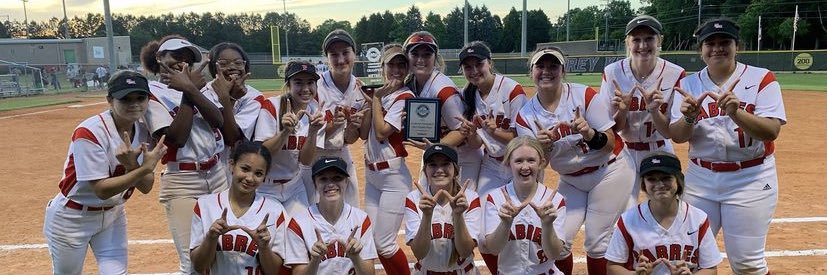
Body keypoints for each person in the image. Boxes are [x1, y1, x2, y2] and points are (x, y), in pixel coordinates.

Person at [669, 18, 786, 274]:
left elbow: (771, 132)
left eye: (725, 42)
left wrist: (737, 113)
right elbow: (677, 136)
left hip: (751, 178)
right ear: (701, 50)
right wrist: (689, 117)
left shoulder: (761, 79)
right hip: (701, 179)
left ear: (737, 46)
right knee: (689, 259)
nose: (717, 48)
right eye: (710, 43)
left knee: (747, 264)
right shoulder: (689, 84)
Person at [515, 46, 635, 274]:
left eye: (553, 66)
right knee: (558, 243)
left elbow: (610, 142)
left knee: (597, 242)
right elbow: (536, 166)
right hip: (571, 179)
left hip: (609, 172)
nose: (546, 71)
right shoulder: (525, 116)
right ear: (531, 71)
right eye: (540, 66)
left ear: (563, 70)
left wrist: (590, 134)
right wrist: (542, 148)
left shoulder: (584, 96)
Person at [43, 70, 167, 274]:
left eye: (140, 97)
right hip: (72, 217)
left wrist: (133, 167)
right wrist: (143, 168)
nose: (134, 103)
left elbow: (145, 187)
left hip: (113, 214)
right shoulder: (90, 132)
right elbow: (100, 189)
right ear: (110, 100)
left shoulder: (145, 130)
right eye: (125, 98)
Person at [140, 35, 228, 274]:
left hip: (217, 175)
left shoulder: (200, 88)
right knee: (192, 261)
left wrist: (190, 88)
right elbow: (175, 138)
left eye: (188, 60)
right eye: (176, 57)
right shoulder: (149, 92)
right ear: (160, 59)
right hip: (182, 181)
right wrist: (188, 90)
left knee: (222, 253)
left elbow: (218, 120)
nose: (183, 64)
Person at [453, 41, 527, 273]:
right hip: (492, 166)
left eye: (479, 64)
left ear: (490, 63)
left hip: (520, 167)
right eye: (468, 66)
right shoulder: (469, 94)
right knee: (484, 234)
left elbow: (522, 140)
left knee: (524, 227)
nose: (474, 70)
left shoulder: (513, 91)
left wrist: (494, 130)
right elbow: (477, 143)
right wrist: (472, 133)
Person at [602, 15, 686, 208]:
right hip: (624, 151)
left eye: (649, 38)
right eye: (636, 39)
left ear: (659, 41)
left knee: (667, 206)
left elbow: (668, 132)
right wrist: (622, 111)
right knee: (624, 210)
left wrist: (655, 111)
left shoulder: (675, 74)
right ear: (627, 43)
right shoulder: (612, 72)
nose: (642, 45)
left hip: (659, 146)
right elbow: (609, 129)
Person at [605, 152, 722, 274]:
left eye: (666, 178)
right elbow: (612, 268)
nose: (659, 185)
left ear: (678, 180)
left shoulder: (698, 219)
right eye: (651, 179)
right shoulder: (628, 220)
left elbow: (710, 269)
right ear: (644, 184)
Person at [189, 141, 288, 274]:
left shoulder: (275, 210)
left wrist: (263, 247)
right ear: (231, 165)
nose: (250, 178)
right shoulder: (205, 205)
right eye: (245, 169)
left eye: (258, 173)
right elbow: (199, 267)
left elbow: (272, 271)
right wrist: (211, 238)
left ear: (265, 176)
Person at [361, 43, 417, 274]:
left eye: (401, 64)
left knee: (384, 243)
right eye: (391, 64)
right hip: (372, 175)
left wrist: (375, 100)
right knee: (374, 242)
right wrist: (369, 103)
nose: (396, 69)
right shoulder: (380, 93)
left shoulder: (405, 96)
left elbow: (383, 132)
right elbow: (364, 134)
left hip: (393, 177)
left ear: (407, 69)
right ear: (382, 67)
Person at [402, 31, 479, 185]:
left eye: (426, 55)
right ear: (407, 57)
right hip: (437, 151)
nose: (420, 59)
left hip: (462, 157)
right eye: (415, 54)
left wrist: (435, 147)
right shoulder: (412, 83)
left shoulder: (443, 90)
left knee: (459, 204)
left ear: (435, 59)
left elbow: (461, 131)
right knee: (426, 199)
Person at [483, 136, 566, 274]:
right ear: (509, 164)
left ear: (541, 163)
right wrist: (505, 223)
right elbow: (493, 249)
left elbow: (555, 254)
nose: (525, 167)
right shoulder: (496, 198)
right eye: (519, 161)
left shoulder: (555, 200)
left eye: (531, 160)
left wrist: (547, 224)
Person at [254, 60, 326, 215]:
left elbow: (305, 161)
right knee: (272, 234)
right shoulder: (272, 107)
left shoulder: (316, 112)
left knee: (301, 231)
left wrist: (313, 132)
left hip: (294, 186)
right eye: (298, 82)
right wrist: (285, 132)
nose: (306, 89)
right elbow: (261, 154)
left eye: (310, 82)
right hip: (266, 188)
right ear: (288, 85)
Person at [285, 157, 377, 274]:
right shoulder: (299, 223)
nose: (330, 184)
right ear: (314, 184)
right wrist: (315, 261)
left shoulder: (361, 220)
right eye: (323, 179)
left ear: (346, 182)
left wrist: (356, 258)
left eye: (337, 178)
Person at [309, 29, 369, 206]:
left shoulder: (360, 89)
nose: (341, 59)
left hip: (342, 154)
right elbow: (306, 136)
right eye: (334, 54)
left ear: (355, 54)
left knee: (350, 208)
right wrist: (333, 126)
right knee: (313, 211)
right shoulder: (314, 86)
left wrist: (351, 128)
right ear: (327, 58)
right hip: (313, 156)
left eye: (345, 53)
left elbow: (349, 139)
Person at [405, 144, 481, 274]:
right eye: (432, 165)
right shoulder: (414, 199)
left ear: (455, 170)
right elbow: (419, 253)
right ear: (425, 171)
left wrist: (458, 215)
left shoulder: (470, 198)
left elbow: (465, 251)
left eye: (446, 164)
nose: (439, 170)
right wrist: (427, 216)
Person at [205, 42, 263, 182]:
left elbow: (231, 138)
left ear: (245, 66)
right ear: (214, 67)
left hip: (237, 169)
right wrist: (228, 99)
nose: (232, 67)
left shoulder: (254, 96)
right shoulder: (203, 93)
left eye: (238, 63)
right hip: (206, 169)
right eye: (223, 63)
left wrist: (227, 99)